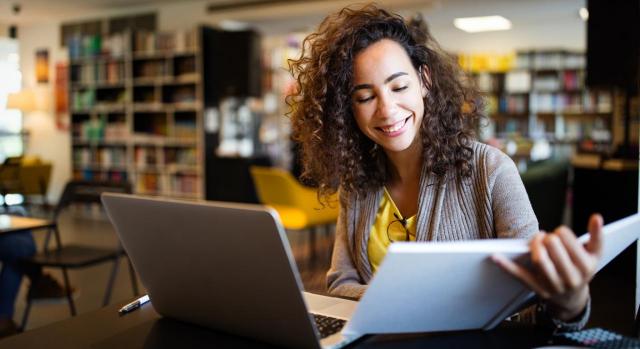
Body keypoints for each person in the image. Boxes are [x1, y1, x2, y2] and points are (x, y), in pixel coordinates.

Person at [287, 4, 602, 332]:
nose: (387, 109)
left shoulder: (490, 170)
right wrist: (429, 304)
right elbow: (339, 284)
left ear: (424, 81)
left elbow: (532, 300)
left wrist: (571, 302)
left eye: (399, 87)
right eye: (365, 97)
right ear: (347, 108)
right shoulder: (356, 185)